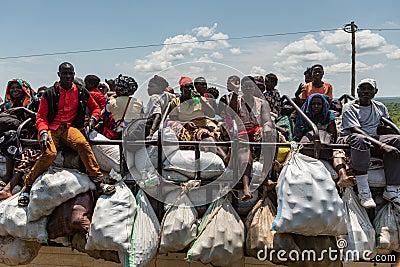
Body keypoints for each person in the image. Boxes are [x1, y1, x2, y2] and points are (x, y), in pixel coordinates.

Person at [19, 62, 115, 206]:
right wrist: (43, 132)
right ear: (59, 75)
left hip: (69, 128)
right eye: (65, 73)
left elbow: (96, 108)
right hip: (51, 129)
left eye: (71, 73)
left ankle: (98, 182)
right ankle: (27, 185)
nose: (68, 76)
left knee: (83, 144)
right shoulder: (49, 93)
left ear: (74, 74)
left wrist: (93, 120)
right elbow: (41, 117)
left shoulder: (81, 91)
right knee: (50, 154)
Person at [339, 78, 400, 209]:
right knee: (360, 139)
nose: (365, 92)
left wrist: (392, 132)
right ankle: (364, 191)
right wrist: (382, 145)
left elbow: (388, 125)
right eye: (363, 89)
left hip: (373, 138)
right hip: (351, 139)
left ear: (375, 92)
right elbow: (356, 130)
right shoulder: (349, 107)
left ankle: (392, 188)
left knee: (397, 140)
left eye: (369, 89)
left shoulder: (379, 107)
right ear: (357, 91)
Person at [228, 76, 275, 201]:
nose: (248, 88)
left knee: (270, 135)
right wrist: (234, 90)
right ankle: (246, 188)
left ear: (254, 88)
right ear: (242, 88)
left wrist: (267, 127)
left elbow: (267, 120)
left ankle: (265, 178)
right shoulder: (236, 100)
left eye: (250, 86)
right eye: (245, 86)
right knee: (245, 149)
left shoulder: (262, 103)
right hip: (241, 131)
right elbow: (231, 113)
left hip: (256, 132)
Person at [294, 93, 355, 187]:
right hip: (307, 147)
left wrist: (325, 141)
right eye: (313, 104)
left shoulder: (328, 116)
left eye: (319, 104)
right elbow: (298, 135)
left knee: (337, 153)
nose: (316, 106)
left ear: (323, 105)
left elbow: (333, 136)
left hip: (326, 147)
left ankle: (343, 177)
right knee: (293, 152)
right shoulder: (303, 115)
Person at [103, 74, 143, 139]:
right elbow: (141, 116)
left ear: (119, 89)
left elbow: (105, 120)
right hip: (135, 134)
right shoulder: (139, 102)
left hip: (118, 135)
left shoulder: (111, 102)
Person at [145, 75, 174, 140]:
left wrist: (151, 134)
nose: (148, 89)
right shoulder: (167, 95)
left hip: (152, 129)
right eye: (148, 86)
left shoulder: (154, 97)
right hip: (164, 127)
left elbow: (157, 116)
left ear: (160, 87)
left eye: (151, 86)